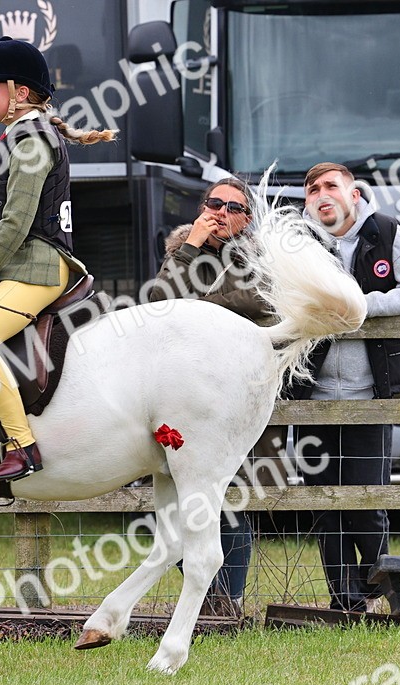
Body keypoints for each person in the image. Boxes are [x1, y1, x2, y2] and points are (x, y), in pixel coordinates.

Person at [0, 37, 116, 481]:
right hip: (24, 264)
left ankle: (23, 445)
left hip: (38, 267)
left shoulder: (30, 140)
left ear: (20, 93)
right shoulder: (24, 134)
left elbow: (15, 224)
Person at [293, 162, 400, 611]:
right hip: (311, 401)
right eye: (313, 189)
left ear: (353, 194)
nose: (322, 194)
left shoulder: (388, 233)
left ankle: (382, 597)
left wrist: (359, 305)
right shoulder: (296, 245)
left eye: (331, 186)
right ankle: (345, 603)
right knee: (326, 507)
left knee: (368, 504)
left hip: (370, 398)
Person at [147, 177, 274, 619]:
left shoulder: (260, 256)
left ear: (247, 218)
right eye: (213, 203)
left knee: (228, 497)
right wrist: (190, 249)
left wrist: (196, 306)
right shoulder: (185, 250)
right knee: (182, 499)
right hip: (180, 397)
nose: (220, 212)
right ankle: (207, 600)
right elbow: (160, 304)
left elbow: (261, 300)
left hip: (237, 396)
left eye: (233, 207)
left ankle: (230, 601)